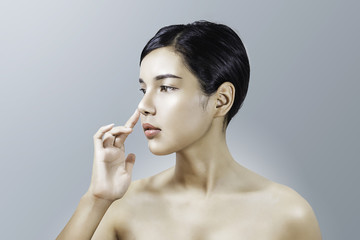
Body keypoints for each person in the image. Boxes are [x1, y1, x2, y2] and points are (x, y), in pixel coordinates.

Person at [57, 21, 322, 239]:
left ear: (222, 100)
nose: (144, 105)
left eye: (167, 87)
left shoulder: (289, 215)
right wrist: (96, 199)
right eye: (143, 89)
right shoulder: (124, 205)